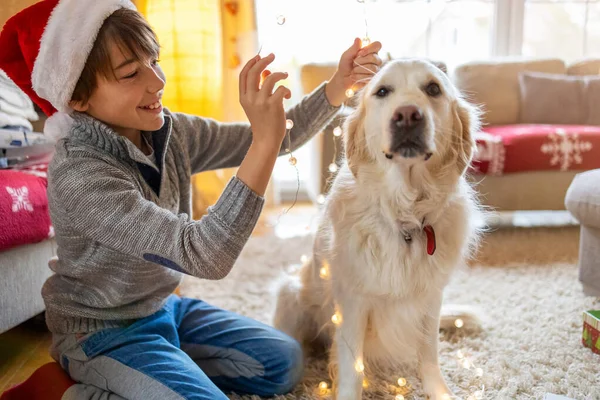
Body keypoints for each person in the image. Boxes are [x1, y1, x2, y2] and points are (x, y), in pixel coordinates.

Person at [0, 0, 382, 398]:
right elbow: (206, 254)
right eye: (131, 73)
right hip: (102, 334)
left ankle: (156, 373)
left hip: (162, 308)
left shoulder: (171, 130)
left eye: (154, 60)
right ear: (77, 98)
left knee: (282, 362)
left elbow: (273, 137)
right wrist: (265, 142)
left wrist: (338, 86)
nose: (156, 81)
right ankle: (69, 391)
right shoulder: (81, 176)